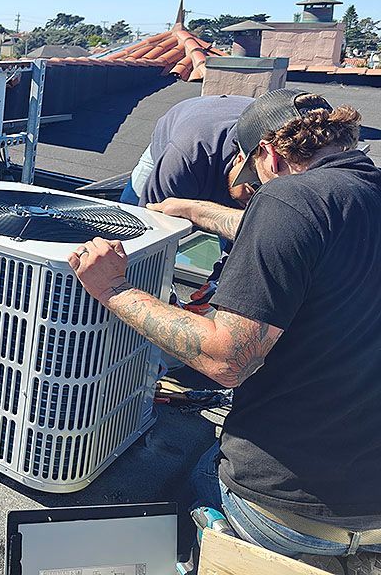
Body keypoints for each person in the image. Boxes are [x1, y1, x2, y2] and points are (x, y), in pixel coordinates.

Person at [69, 89, 381, 562]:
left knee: (184, 473)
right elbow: (309, 240)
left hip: (286, 513)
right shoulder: (358, 197)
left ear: (269, 155)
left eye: (255, 181)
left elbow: (226, 360)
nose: (258, 193)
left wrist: (114, 289)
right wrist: (198, 211)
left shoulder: (288, 201)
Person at [120, 94, 257, 209]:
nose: (250, 203)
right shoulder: (185, 157)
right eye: (250, 194)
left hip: (217, 131)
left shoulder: (273, 157)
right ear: (239, 160)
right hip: (180, 138)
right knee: (131, 211)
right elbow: (150, 219)